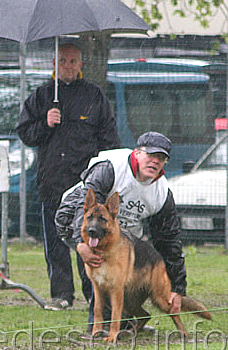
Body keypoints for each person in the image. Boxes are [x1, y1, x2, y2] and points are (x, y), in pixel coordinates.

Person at [16, 43, 119, 310]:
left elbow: (109, 140)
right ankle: (61, 295)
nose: (69, 66)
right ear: (54, 63)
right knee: (56, 241)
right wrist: (45, 123)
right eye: (63, 61)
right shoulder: (42, 96)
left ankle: (93, 294)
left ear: (81, 65)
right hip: (51, 180)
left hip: (86, 186)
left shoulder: (95, 96)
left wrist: (105, 173)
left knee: (90, 240)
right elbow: (25, 133)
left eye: (73, 61)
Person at [55, 131, 187, 329]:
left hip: (122, 234)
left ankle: (122, 322)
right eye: (151, 155)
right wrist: (79, 244)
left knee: (123, 278)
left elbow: (169, 241)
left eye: (161, 158)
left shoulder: (161, 194)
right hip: (75, 220)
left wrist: (177, 288)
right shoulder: (110, 168)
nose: (155, 162)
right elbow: (84, 209)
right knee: (96, 269)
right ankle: (100, 327)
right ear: (137, 153)